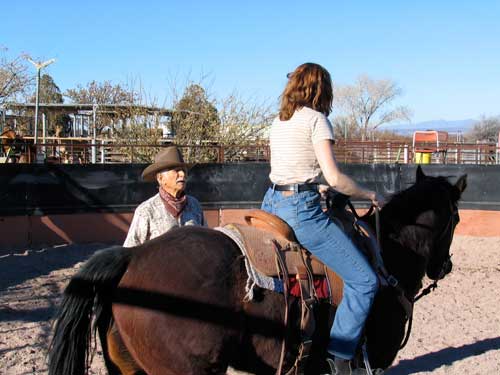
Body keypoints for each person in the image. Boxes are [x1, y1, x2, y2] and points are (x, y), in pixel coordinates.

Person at [261, 63, 385, 375]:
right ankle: (340, 357)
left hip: (270, 203)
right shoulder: (317, 120)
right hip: (302, 211)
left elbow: (291, 168)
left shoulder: (279, 120)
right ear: (321, 90)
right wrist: (368, 194)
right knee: (365, 281)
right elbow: (334, 177)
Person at [124, 145, 206, 248]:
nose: (182, 174)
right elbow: (130, 251)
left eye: (184, 171)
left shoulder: (195, 205)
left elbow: (206, 242)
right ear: (160, 178)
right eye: (176, 170)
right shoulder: (146, 211)